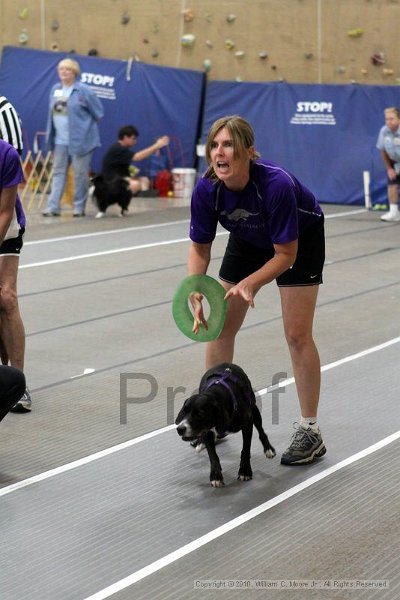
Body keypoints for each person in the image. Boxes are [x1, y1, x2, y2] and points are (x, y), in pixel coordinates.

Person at [187, 115, 326, 466]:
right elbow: (200, 246)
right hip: (248, 235)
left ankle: (310, 429)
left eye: (228, 144)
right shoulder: (207, 188)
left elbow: (285, 255)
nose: (220, 152)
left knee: (296, 334)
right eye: (214, 145)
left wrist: (252, 282)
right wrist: (196, 287)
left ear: (249, 151)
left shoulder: (275, 185)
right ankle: (213, 416)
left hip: (299, 239)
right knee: (219, 324)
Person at [43, 57, 104, 217]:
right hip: (60, 140)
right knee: (58, 173)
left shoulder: (83, 90)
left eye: (68, 69)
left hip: (81, 141)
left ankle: (78, 207)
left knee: (80, 175)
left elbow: (99, 113)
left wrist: (83, 128)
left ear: (74, 72)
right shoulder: (55, 89)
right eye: (61, 69)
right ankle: (53, 207)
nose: (64, 72)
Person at [0, 139, 31, 412]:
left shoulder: (6, 155)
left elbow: (5, 212)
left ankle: (18, 382)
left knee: (6, 297)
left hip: (5, 226)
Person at [95, 125, 170, 218]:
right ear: (125, 137)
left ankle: (128, 198)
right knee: (135, 185)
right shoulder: (118, 149)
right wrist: (156, 146)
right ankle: (120, 202)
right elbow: (137, 157)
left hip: (120, 177)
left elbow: (128, 164)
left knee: (145, 181)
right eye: (133, 138)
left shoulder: (121, 149)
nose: (135, 141)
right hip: (111, 181)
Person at [376, 107, 400, 222]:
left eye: (392, 119)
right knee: (392, 185)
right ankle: (394, 212)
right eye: (387, 119)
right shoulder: (384, 131)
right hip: (395, 163)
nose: (389, 121)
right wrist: (389, 168)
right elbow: (383, 150)